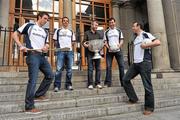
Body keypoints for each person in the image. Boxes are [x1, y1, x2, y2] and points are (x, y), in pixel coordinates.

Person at [12, 12, 54, 114]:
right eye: (44, 18)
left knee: (50, 75)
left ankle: (38, 94)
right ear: (39, 17)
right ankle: (29, 107)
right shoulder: (29, 25)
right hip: (32, 55)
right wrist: (20, 45)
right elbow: (14, 34)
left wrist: (46, 47)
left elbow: (47, 44)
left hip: (42, 56)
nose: (46, 21)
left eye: (47, 19)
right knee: (33, 80)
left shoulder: (45, 31)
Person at [123, 21, 161, 115]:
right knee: (125, 79)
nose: (132, 28)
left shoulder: (146, 34)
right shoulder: (136, 38)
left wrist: (146, 45)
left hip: (144, 63)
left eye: (134, 26)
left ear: (138, 26)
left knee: (147, 86)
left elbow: (157, 42)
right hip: (136, 64)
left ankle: (149, 107)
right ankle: (133, 98)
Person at [53, 17, 76, 92]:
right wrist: (59, 48)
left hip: (69, 51)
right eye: (64, 21)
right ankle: (57, 86)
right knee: (59, 69)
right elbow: (55, 41)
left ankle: (68, 85)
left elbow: (73, 41)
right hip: (61, 51)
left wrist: (69, 47)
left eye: (67, 21)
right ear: (62, 22)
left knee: (69, 69)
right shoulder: (58, 30)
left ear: (68, 23)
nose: (65, 22)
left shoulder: (71, 31)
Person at [104, 17, 125, 87]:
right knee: (108, 66)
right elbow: (105, 41)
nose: (111, 24)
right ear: (109, 24)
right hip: (109, 51)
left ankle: (123, 83)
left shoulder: (119, 31)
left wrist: (119, 46)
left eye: (112, 22)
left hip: (118, 50)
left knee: (121, 66)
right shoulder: (106, 32)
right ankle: (107, 83)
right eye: (110, 23)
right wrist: (108, 47)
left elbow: (121, 40)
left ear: (115, 23)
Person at [82, 20, 103, 89]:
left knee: (98, 68)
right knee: (90, 68)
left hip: (97, 53)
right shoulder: (87, 33)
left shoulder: (99, 34)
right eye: (94, 25)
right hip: (90, 53)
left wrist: (103, 45)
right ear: (91, 25)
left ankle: (98, 83)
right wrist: (85, 45)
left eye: (97, 25)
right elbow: (84, 42)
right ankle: (90, 84)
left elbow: (101, 43)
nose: (96, 26)